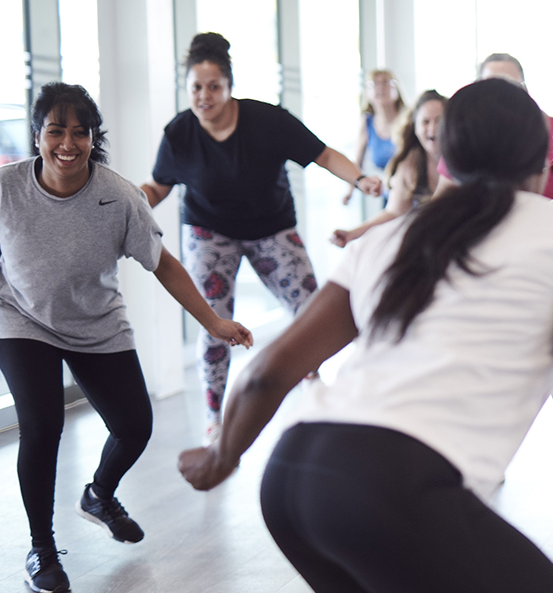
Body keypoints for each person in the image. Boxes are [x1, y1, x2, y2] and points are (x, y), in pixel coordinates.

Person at [177, 78, 553, 593]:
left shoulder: (395, 238)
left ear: (446, 155)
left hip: (290, 480)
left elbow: (268, 371)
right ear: (547, 156)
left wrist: (220, 457)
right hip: (397, 483)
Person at [0, 82, 252, 593]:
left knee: (135, 426)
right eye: (55, 131)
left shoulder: (118, 194)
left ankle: (99, 495)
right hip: (21, 319)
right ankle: (42, 550)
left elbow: (163, 264)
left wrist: (212, 322)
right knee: (41, 426)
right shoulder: (4, 186)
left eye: (79, 133)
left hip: (96, 322)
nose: (68, 143)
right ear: (38, 135)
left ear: (93, 138)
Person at [139, 32, 380, 442]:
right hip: (208, 231)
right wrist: (126, 202)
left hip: (271, 227)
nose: (204, 96)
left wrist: (359, 179)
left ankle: (318, 395)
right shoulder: (180, 133)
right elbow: (158, 188)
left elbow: (321, 154)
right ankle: (215, 419)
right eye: (196, 88)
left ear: (229, 87)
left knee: (312, 311)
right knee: (212, 320)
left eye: (214, 86)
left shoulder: (267, 120)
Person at [433, 52, 553, 200]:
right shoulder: (463, 132)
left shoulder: (550, 127)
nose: (500, 94)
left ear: (524, 88)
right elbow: (442, 196)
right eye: (491, 85)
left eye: (510, 85)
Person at [330, 91, 446, 246]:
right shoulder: (409, 165)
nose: (433, 128)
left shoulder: (467, 159)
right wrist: (353, 233)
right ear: (415, 127)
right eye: (425, 122)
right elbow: (394, 212)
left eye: (440, 121)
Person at [340, 69, 404, 206]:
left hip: (413, 191)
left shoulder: (408, 120)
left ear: (396, 89)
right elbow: (357, 162)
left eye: (386, 82)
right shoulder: (367, 122)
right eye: (374, 84)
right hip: (390, 194)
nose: (380, 88)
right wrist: (350, 191)